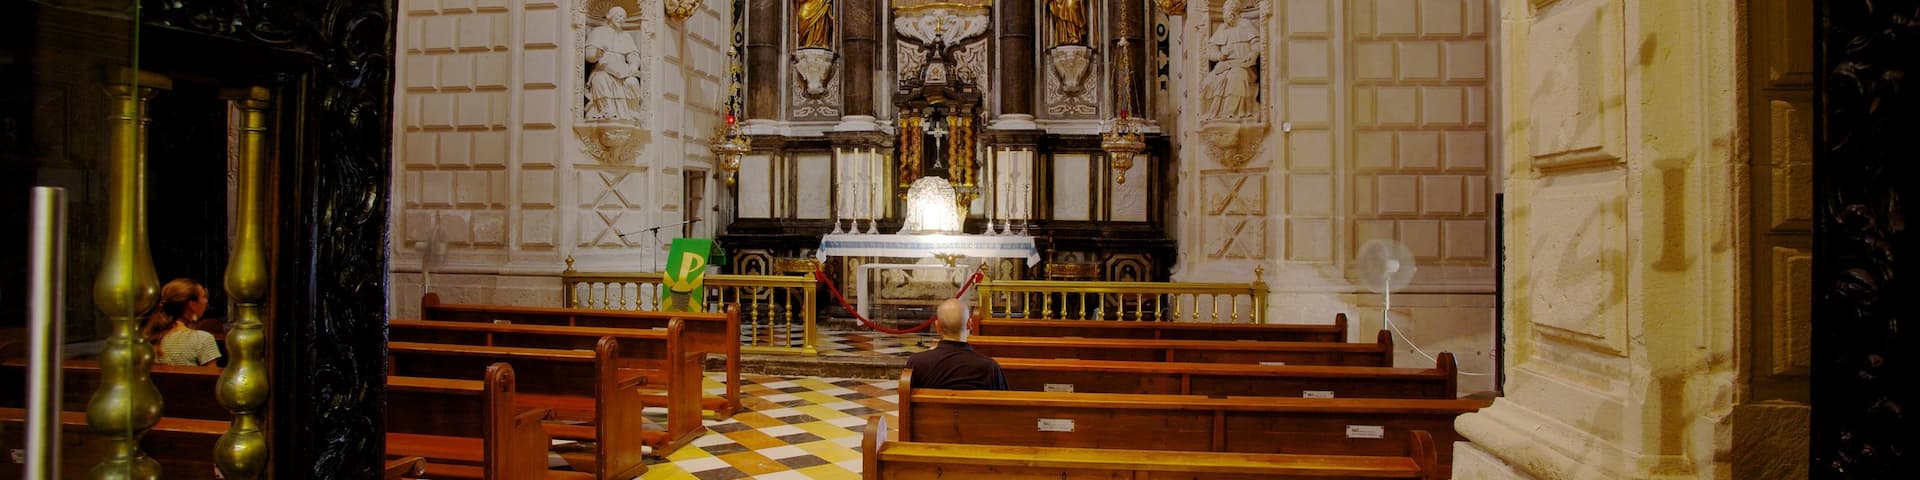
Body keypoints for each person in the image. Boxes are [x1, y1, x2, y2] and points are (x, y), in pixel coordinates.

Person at [905, 299, 1007, 390]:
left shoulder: (917, 363)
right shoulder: (990, 368)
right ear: (970, 324)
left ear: (937, 326)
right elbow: (1003, 407)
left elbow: (907, 405)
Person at [142, 278, 223, 367]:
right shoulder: (203, 339)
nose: (206, 301)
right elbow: (211, 379)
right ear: (191, 304)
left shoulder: (148, 338)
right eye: (204, 297)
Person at [1202, 0, 1262, 120]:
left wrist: (1253, 53)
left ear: (1234, 13)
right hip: (1224, 65)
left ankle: (1229, 114)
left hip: (1243, 66)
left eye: (1226, 11)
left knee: (1236, 77)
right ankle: (1213, 114)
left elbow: (1257, 44)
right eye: (1224, 11)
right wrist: (1220, 56)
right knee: (1209, 81)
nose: (1225, 16)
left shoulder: (1246, 25)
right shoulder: (1222, 29)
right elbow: (1210, 50)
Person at [585, 6, 643, 121]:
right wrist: (597, 53)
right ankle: (606, 111)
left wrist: (633, 65)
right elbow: (589, 55)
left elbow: (633, 55)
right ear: (609, 16)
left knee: (632, 82)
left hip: (622, 72)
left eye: (624, 17)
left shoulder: (626, 36)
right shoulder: (598, 32)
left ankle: (632, 112)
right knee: (600, 80)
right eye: (619, 15)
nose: (621, 19)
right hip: (603, 69)